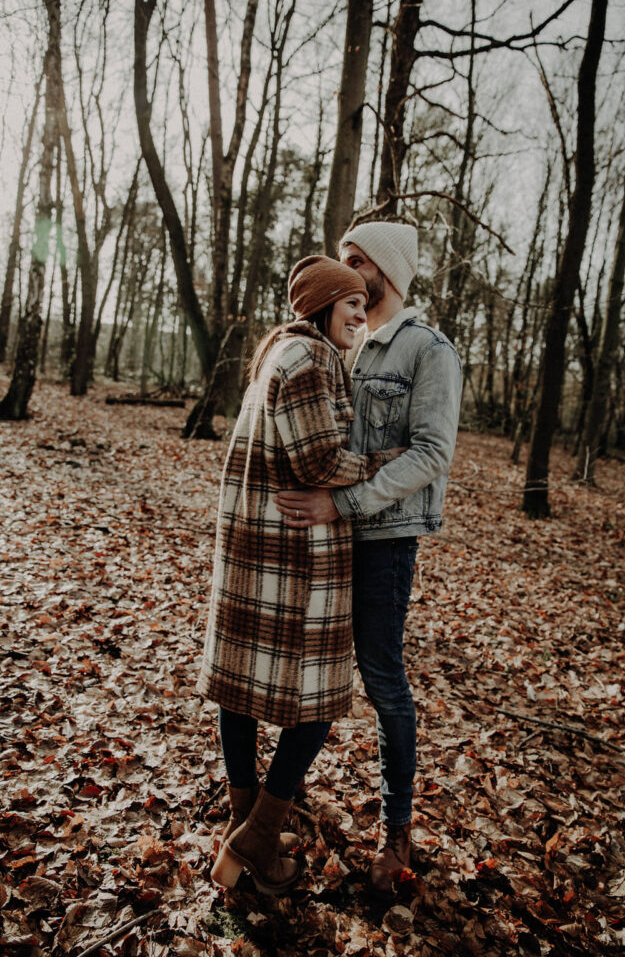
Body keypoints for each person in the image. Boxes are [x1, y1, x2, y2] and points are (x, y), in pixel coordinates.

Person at [196, 255, 405, 895]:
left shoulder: (277, 357)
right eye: (350, 305)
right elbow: (318, 462)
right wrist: (380, 461)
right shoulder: (312, 360)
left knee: (240, 690)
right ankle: (259, 832)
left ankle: (242, 825)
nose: (361, 318)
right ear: (321, 306)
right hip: (292, 561)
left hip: (252, 553)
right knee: (316, 702)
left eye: (365, 307)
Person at [275, 221, 462, 895]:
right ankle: (278, 800)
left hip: (383, 543)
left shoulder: (427, 349)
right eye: (342, 259)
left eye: (357, 260)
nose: (346, 269)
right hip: (326, 540)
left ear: (387, 271)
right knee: (312, 673)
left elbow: (433, 454)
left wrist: (344, 506)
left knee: (383, 683)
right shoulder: (339, 343)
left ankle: (395, 831)